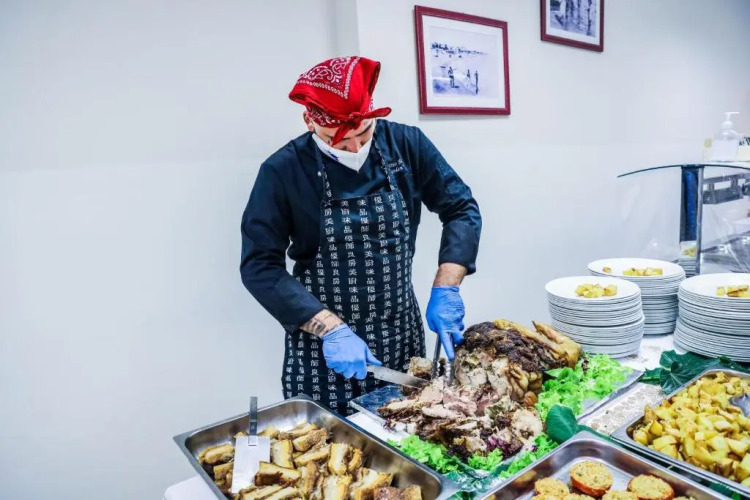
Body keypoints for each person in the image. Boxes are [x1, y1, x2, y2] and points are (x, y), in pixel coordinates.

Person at [240, 56, 481, 414]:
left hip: (401, 333)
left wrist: (447, 287)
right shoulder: (283, 170)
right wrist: (331, 329)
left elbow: (460, 208)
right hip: (323, 349)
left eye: (364, 133)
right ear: (309, 122)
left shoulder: (406, 144)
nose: (355, 148)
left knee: (408, 428)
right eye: (337, 140)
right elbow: (260, 265)